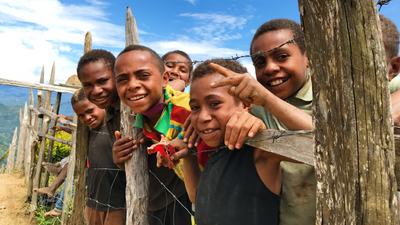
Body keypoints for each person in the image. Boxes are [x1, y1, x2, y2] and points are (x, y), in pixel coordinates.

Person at [171, 58, 301, 225]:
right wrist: (189, 157)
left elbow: (326, 148)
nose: (203, 117)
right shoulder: (218, 150)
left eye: (215, 103)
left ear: (246, 104)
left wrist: (267, 100)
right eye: (195, 107)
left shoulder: (260, 148)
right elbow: (198, 197)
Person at [77, 49, 193, 225]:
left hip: (178, 195)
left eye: (103, 81)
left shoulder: (146, 105)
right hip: (148, 198)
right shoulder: (110, 113)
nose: (97, 90)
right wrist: (119, 160)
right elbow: (133, 161)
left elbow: (173, 86)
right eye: (87, 85)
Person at [71, 88, 126, 225]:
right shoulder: (87, 133)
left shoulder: (116, 130)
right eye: (81, 116)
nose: (87, 118)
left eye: (90, 111)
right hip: (93, 201)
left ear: (102, 105)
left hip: (118, 204)